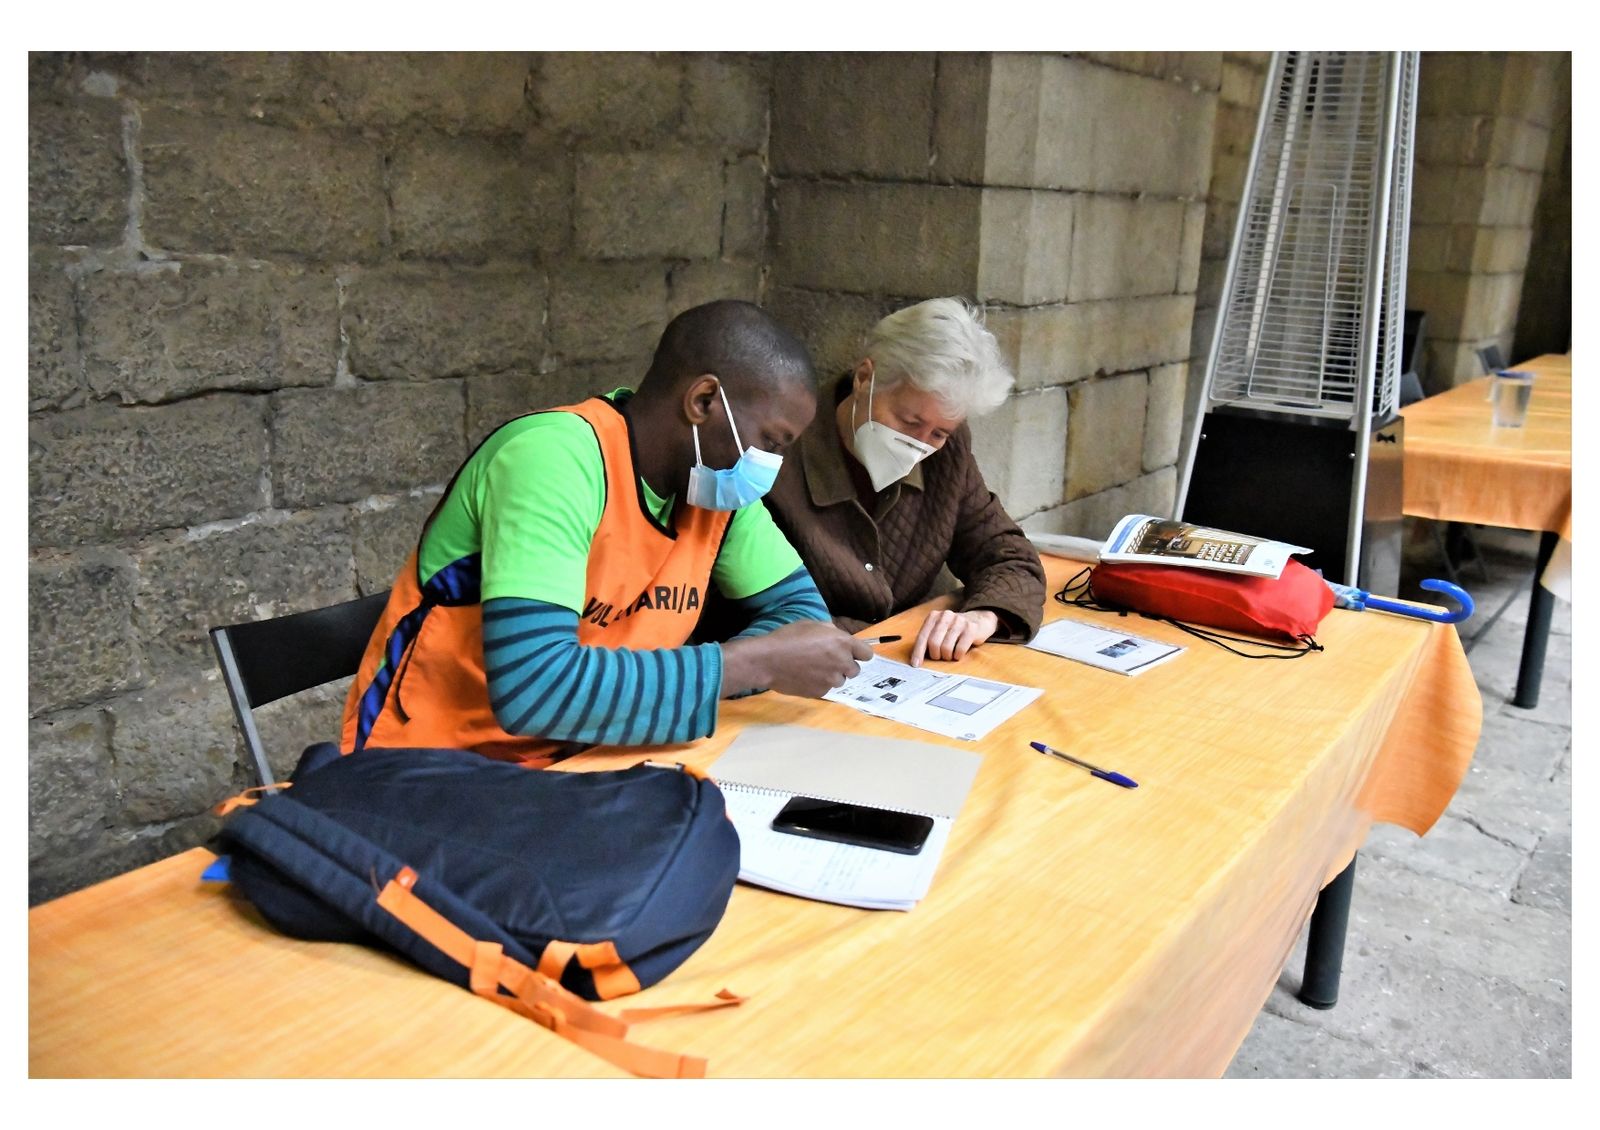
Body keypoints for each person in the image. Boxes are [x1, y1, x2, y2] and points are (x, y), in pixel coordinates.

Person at [340, 300, 872, 766]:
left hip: (591, 753)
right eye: (772, 442)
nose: (770, 466)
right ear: (704, 401)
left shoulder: (716, 490)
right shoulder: (555, 460)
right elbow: (536, 690)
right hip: (435, 766)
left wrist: (737, 668)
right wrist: (752, 664)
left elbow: (801, 618)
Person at [762, 297, 1046, 666]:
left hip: (908, 668)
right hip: (807, 673)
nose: (919, 445)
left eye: (939, 432)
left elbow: (1008, 555)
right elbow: (749, 608)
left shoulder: (949, 453)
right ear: (865, 378)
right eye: (909, 422)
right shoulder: (779, 454)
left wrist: (984, 616)